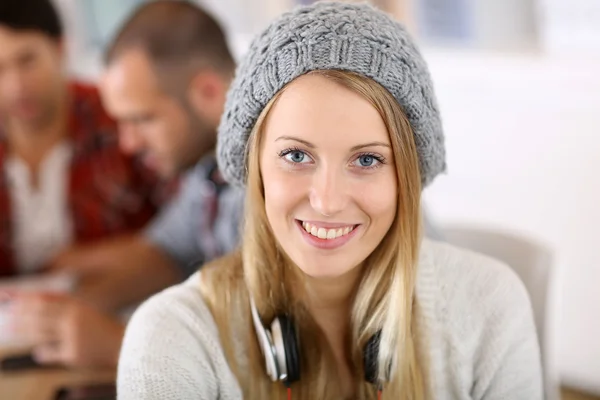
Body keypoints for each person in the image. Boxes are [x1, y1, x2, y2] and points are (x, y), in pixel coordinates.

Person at [117, 2, 544, 400]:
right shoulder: (173, 337)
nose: (326, 202)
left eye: (367, 159)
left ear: (407, 179)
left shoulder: (489, 305)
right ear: (255, 166)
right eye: (296, 156)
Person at [6, 0, 242, 368]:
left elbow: (266, 359)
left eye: (143, 119)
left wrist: (121, 345)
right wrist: (74, 307)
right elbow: (164, 251)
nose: (128, 143)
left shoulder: (263, 185)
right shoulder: (208, 171)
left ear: (209, 92)